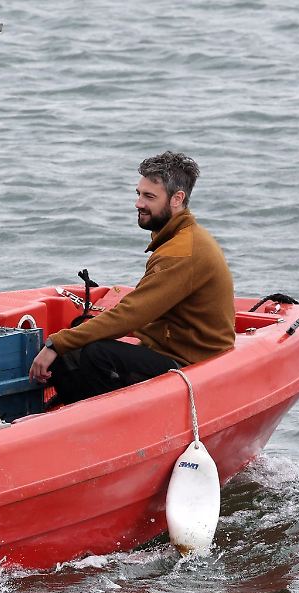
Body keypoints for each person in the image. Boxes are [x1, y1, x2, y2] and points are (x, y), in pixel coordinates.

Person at [28, 152, 235, 404]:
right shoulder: (180, 239)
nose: (138, 203)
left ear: (177, 199)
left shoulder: (181, 252)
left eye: (149, 196)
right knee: (77, 339)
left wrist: (55, 344)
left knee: (91, 353)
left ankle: (91, 421)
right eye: (138, 193)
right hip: (173, 348)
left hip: (192, 362)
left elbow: (131, 315)